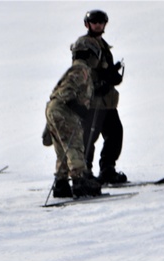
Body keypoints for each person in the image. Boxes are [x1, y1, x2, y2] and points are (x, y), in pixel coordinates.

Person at [44, 38, 101, 199]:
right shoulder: (81, 69)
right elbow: (67, 92)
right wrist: (79, 108)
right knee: (74, 145)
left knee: (62, 149)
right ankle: (79, 182)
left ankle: (61, 184)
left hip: (54, 108)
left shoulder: (76, 69)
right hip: (64, 110)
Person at [79, 9, 126, 184]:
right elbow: (81, 69)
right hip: (91, 101)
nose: (98, 25)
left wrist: (112, 74)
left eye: (101, 22)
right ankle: (84, 173)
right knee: (89, 136)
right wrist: (95, 84)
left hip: (106, 101)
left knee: (115, 133)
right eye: (94, 22)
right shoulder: (84, 44)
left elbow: (102, 69)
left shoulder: (102, 44)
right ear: (87, 24)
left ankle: (107, 169)